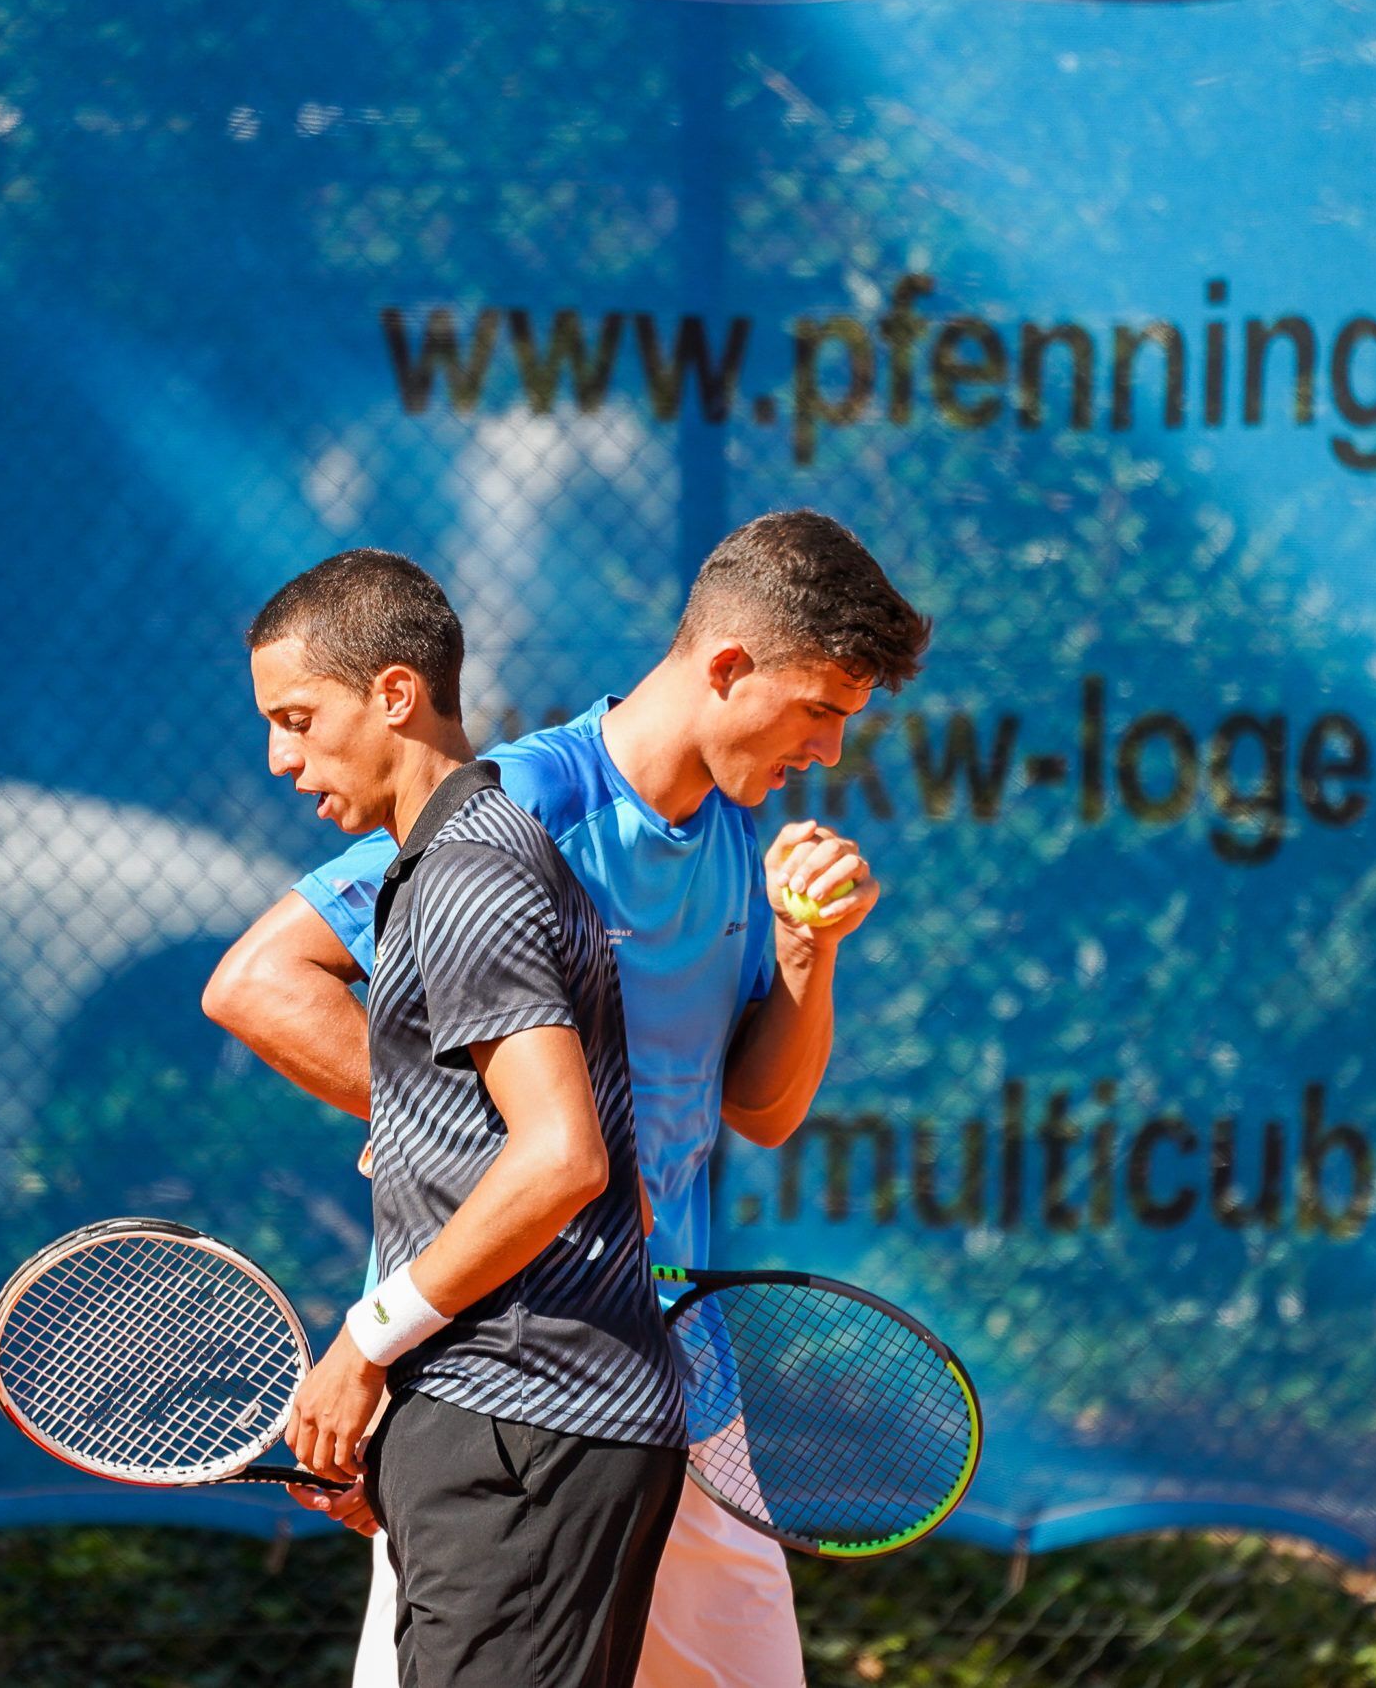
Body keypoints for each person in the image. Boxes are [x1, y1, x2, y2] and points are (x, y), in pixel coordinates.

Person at [208, 509, 933, 1687]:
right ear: (728, 668)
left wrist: (810, 954)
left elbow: (761, 1109)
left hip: (676, 1379)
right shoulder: (519, 806)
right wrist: (453, 1139)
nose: (831, 751)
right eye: (820, 710)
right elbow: (259, 980)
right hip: (503, 1373)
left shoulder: (744, 842)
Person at [249, 548, 688, 1688]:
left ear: (394, 694)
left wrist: (363, 1344)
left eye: (299, 718)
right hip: (508, 1418)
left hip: (526, 1426)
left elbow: (559, 1161)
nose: (280, 758)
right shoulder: (459, 863)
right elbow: (532, 1148)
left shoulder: (465, 875)